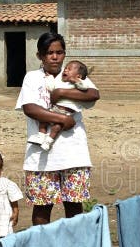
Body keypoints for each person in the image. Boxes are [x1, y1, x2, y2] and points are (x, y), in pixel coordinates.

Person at [15, 32, 100, 225]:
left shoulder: (74, 74)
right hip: (41, 157)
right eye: (49, 52)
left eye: (59, 52)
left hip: (73, 153)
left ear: (64, 53)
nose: (55, 57)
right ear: (40, 56)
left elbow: (94, 94)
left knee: (74, 205)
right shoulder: (32, 78)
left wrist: (61, 91)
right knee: (42, 207)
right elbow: (30, 108)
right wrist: (63, 118)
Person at [27, 60, 92, 151]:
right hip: (55, 109)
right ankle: (41, 136)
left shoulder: (79, 83)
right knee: (43, 120)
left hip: (66, 112)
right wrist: (49, 78)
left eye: (69, 69)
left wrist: (76, 81)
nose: (65, 70)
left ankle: (48, 141)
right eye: (65, 68)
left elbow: (84, 87)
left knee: (57, 128)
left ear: (78, 76)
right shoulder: (60, 82)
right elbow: (52, 88)